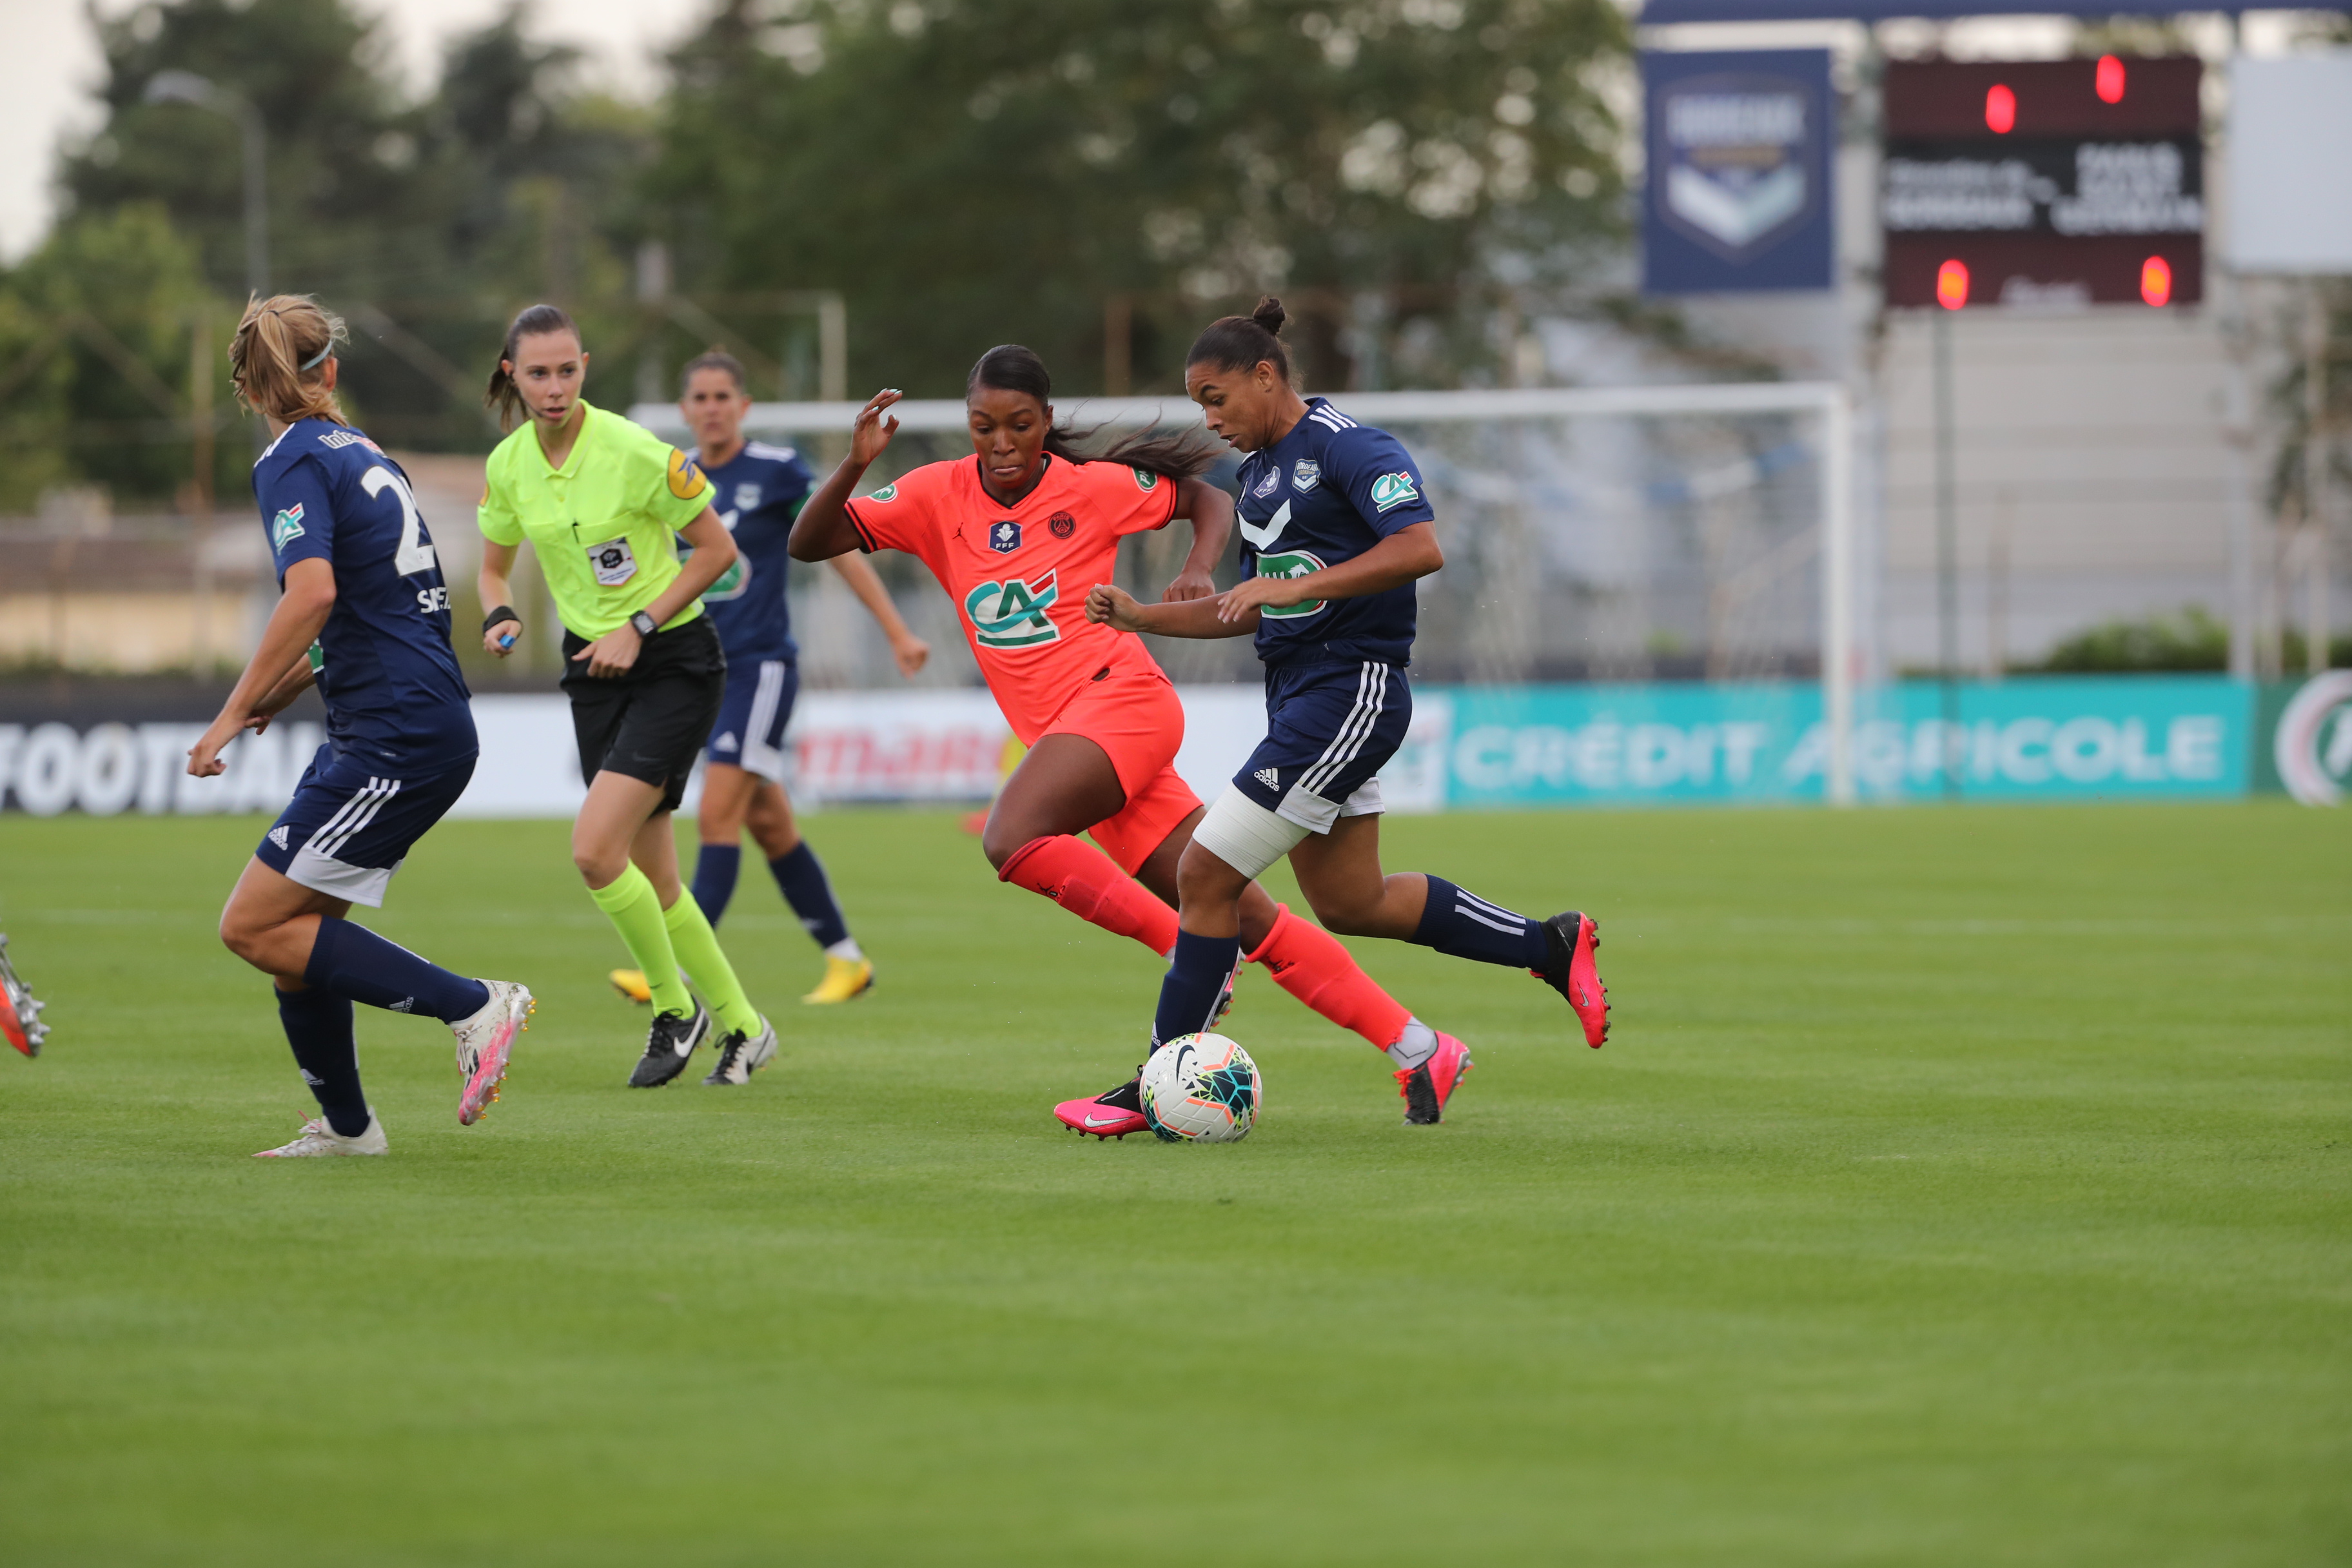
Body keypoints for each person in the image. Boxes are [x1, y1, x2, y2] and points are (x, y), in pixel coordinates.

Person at [789, 344, 1465, 1139]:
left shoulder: (1096, 487)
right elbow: (811, 541)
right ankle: (1420, 1044)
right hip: (1077, 737)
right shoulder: (934, 494)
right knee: (1241, 915)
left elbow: (1206, 497)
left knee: (1011, 836)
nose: (1001, 442)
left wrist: (1196, 566)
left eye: (1019, 424)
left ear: (1047, 422)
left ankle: (1191, 988)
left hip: (1124, 705)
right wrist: (852, 464)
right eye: (983, 427)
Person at [1084, 298, 1611, 1126]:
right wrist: (1143, 616)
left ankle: (1156, 1085)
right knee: (1352, 902)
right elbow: (1258, 605)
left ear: (1267, 375)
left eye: (1216, 398)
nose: (1209, 419)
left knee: (1203, 875)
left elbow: (1419, 546)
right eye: (1198, 404)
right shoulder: (1259, 473)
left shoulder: (1350, 445)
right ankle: (1547, 944)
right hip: (1302, 694)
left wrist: (1291, 585)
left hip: (1352, 688)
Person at [191, 294, 533, 1158]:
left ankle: (473, 1004)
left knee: (252, 926)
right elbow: (387, 610)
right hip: (414, 715)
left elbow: (314, 594)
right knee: (298, 938)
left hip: (394, 732)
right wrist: (293, 683)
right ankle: (348, 1128)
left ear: (249, 390)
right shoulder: (367, 453)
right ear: (329, 374)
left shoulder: (291, 460)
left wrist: (232, 710)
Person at [473, 304, 776, 1088]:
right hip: (593, 673)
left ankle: (675, 1008)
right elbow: (494, 568)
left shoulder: (637, 451)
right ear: (512, 372)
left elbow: (719, 551)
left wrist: (639, 623)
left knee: (593, 850)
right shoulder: (508, 464)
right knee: (657, 877)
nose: (554, 386)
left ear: (585, 365)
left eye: (567, 369)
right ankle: (744, 1025)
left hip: (674, 660)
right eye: (537, 372)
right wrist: (498, 612)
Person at [608, 349, 929, 1010]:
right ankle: (847, 959)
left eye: (724, 395)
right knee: (771, 825)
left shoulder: (777, 471)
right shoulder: (674, 479)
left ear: (743, 405)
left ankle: (675, 968)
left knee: (718, 811)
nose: (712, 407)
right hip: (699, 671)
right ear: (685, 410)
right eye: (700, 397)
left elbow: (837, 547)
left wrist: (896, 630)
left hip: (761, 669)